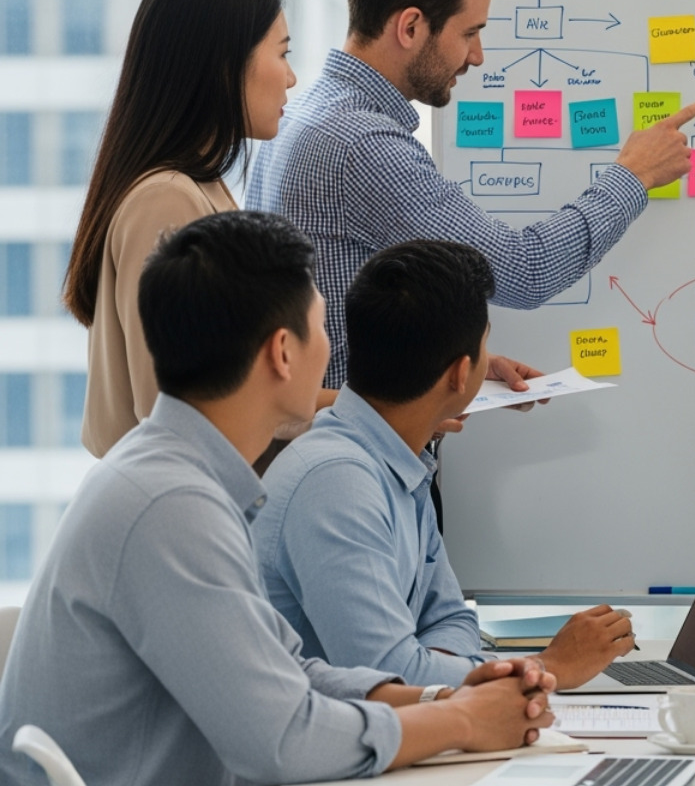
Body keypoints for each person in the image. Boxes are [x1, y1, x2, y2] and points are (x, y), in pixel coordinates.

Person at [0, 211, 560, 786]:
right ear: (282, 352)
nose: (337, 354)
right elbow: (284, 741)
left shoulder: (180, 477)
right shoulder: (170, 504)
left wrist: (441, 695)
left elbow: (286, 673)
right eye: (322, 328)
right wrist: (460, 720)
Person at [248, 0, 695, 389]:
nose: (477, 55)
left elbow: (346, 301)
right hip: (349, 445)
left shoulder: (304, 111)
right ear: (410, 27)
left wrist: (445, 358)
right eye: (469, 32)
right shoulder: (362, 145)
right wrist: (633, 176)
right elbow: (526, 270)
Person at [255, 238, 634, 689]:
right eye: (486, 347)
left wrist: (435, 666)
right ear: (460, 374)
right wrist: (550, 666)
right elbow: (392, 678)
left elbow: (453, 620)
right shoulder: (335, 481)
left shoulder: (396, 462)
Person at [62, 0, 329, 458]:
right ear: (225, 67)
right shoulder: (168, 198)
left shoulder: (198, 186)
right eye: (282, 53)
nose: (291, 79)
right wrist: (378, 413)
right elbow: (179, 412)